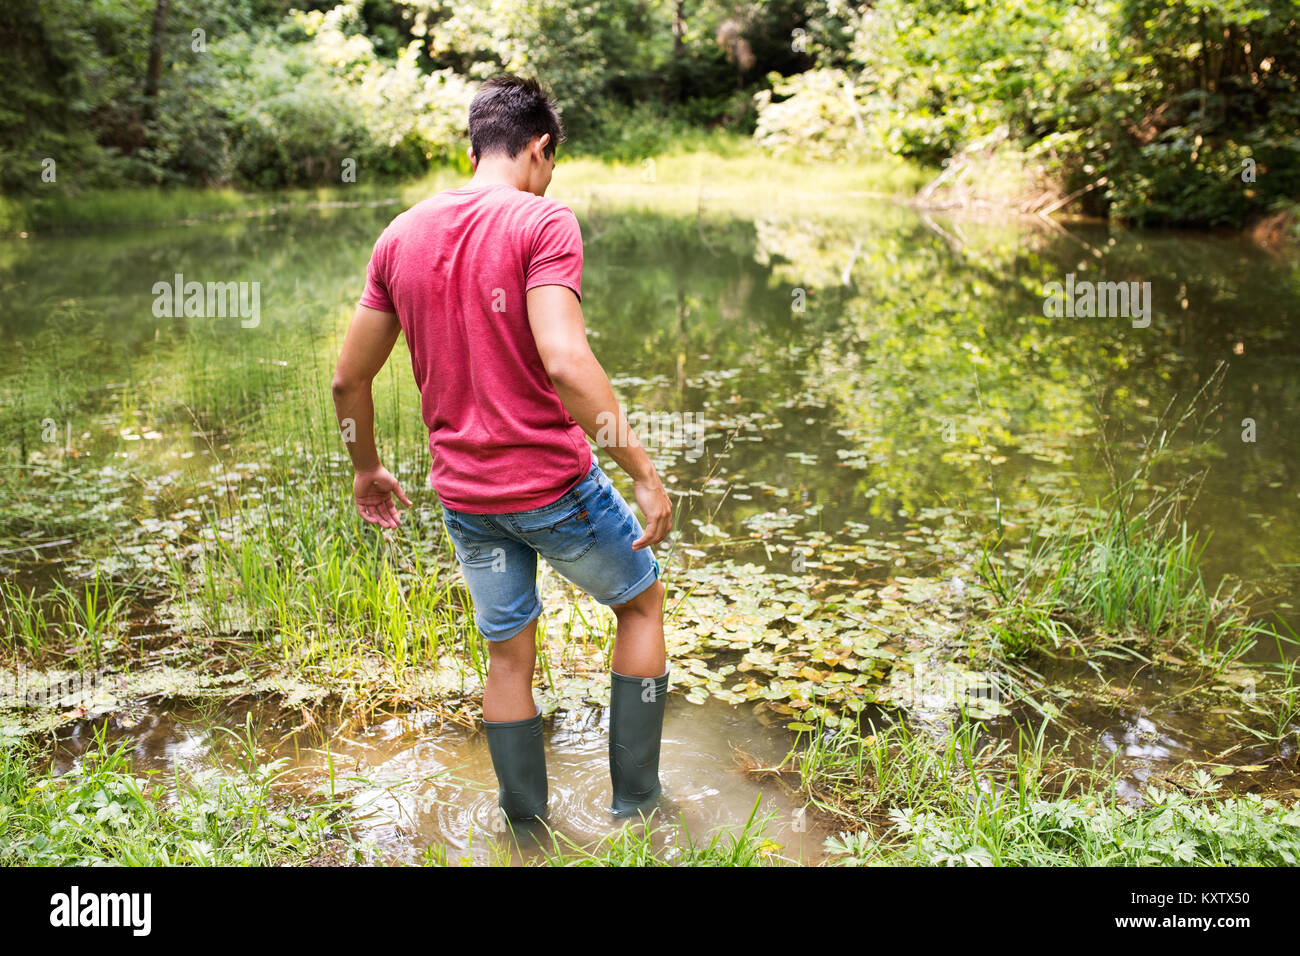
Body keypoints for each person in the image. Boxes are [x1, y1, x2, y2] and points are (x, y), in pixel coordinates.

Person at [330, 74, 674, 824]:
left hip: (467, 500)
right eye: (552, 163)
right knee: (642, 604)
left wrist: (368, 469)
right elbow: (565, 359)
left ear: (473, 144)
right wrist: (642, 471)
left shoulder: (400, 234)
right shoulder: (542, 223)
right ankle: (640, 808)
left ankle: (525, 829)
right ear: (540, 148)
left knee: (509, 657)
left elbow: (347, 379)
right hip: (552, 485)